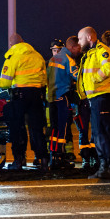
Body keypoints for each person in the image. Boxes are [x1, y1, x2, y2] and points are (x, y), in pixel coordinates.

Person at [0, 32, 48, 171]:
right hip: (37, 94)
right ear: (24, 41)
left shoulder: (12, 57)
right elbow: (44, 79)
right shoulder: (38, 56)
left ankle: (19, 161)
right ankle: (43, 161)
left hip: (19, 96)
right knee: (37, 129)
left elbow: (5, 82)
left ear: (11, 44)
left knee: (17, 129)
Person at [77, 26, 110, 180]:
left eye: (80, 38)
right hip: (97, 98)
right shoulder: (90, 54)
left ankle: (109, 166)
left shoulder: (101, 50)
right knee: (99, 133)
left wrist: (95, 80)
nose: (78, 42)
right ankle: (107, 166)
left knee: (102, 133)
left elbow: (109, 67)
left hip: (104, 96)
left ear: (89, 37)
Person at [46, 35, 80, 170]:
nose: (79, 50)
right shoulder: (68, 60)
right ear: (72, 47)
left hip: (52, 98)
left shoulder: (52, 59)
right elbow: (77, 76)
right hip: (63, 96)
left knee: (54, 128)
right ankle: (60, 156)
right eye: (78, 48)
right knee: (63, 128)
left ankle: (53, 155)